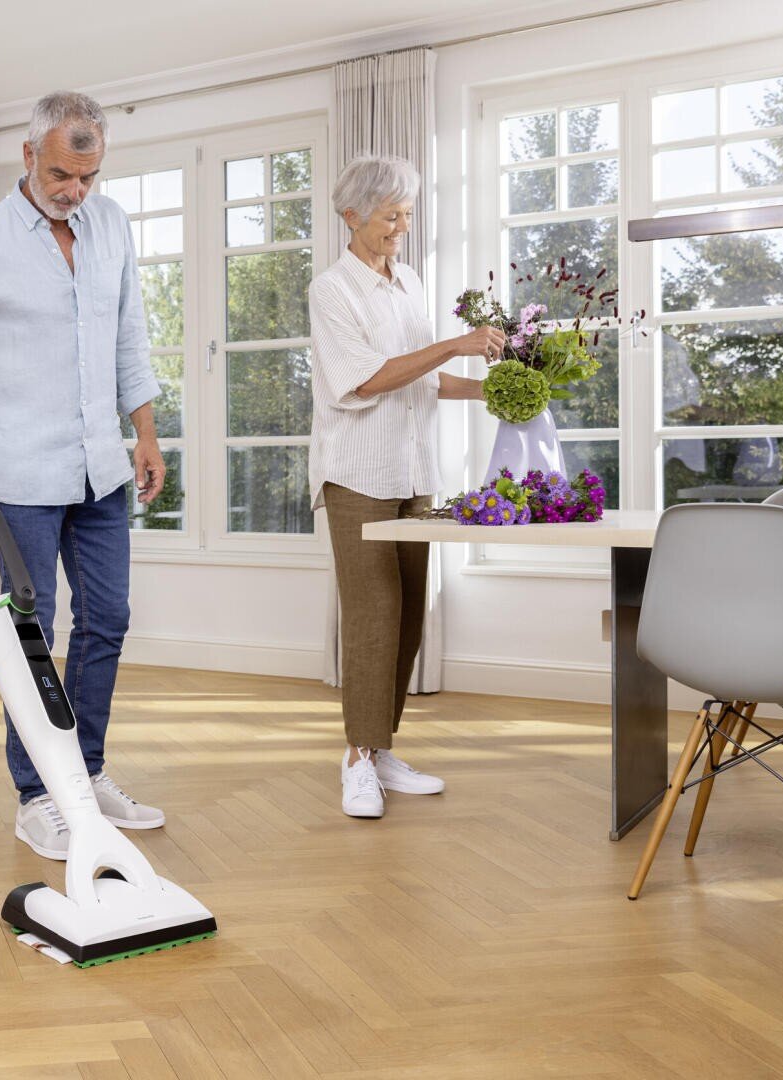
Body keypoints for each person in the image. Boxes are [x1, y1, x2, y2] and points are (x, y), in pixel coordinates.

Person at [0, 91, 166, 859]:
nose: (73, 191)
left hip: (101, 471)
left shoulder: (109, 225)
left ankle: (86, 773)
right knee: (31, 636)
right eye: (59, 173)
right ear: (26, 156)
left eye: (86, 176)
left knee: (106, 623)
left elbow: (130, 338)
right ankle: (37, 794)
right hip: (18, 477)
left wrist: (143, 433)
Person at [308, 154, 504, 819]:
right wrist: (454, 345)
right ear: (351, 217)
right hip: (358, 473)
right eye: (390, 215)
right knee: (372, 617)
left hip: (413, 472)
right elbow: (365, 379)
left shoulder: (408, 282)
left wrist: (493, 391)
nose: (401, 227)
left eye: (407, 214)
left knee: (409, 613)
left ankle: (381, 747)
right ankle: (357, 760)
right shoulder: (331, 290)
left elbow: (419, 377)